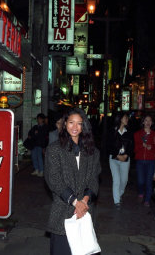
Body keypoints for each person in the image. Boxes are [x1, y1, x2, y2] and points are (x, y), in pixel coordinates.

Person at [44, 108, 101, 255]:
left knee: (84, 250)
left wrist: (85, 201)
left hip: (84, 212)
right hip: (63, 211)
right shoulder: (54, 149)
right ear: (64, 124)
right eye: (71, 123)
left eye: (79, 123)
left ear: (84, 126)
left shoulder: (92, 151)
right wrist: (76, 202)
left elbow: (94, 178)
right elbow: (54, 180)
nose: (75, 127)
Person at [134, 115, 155, 207]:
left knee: (149, 181)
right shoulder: (137, 134)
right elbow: (134, 149)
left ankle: (147, 200)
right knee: (140, 181)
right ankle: (141, 192)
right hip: (140, 160)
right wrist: (141, 145)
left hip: (151, 161)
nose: (148, 122)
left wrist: (152, 148)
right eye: (146, 120)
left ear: (152, 123)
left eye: (150, 121)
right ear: (143, 122)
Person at [107, 112, 134, 209]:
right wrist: (118, 156)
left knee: (124, 180)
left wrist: (126, 155)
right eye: (125, 117)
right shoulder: (112, 131)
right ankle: (117, 201)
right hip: (114, 159)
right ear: (120, 119)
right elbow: (108, 146)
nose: (127, 119)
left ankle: (119, 194)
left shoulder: (129, 132)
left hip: (125, 159)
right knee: (116, 180)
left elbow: (131, 146)